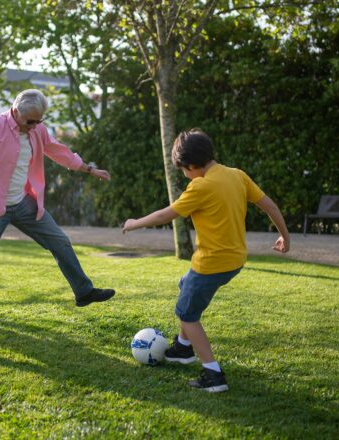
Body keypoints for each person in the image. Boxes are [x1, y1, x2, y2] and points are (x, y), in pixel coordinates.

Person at [0, 89, 115, 353]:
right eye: (31, 121)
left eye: (39, 121)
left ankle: (83, 292)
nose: (35, 126)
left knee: (60, 241)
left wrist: (88, 169)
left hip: (24, 204)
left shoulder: (37, 131)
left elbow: (59, 152)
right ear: (15, 111)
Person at [122, 129, 290, 392]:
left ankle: (213, 374)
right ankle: (182, 349)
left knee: (187, 315)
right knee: (184, 285)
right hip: (235, 260)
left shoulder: (201, 185)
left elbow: (164, 216)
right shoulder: (237, 175)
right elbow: (269, 205)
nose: (185, 175)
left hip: (211, 264)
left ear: (190, 165)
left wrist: (134, 223)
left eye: (183, 170)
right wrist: (284, 236)